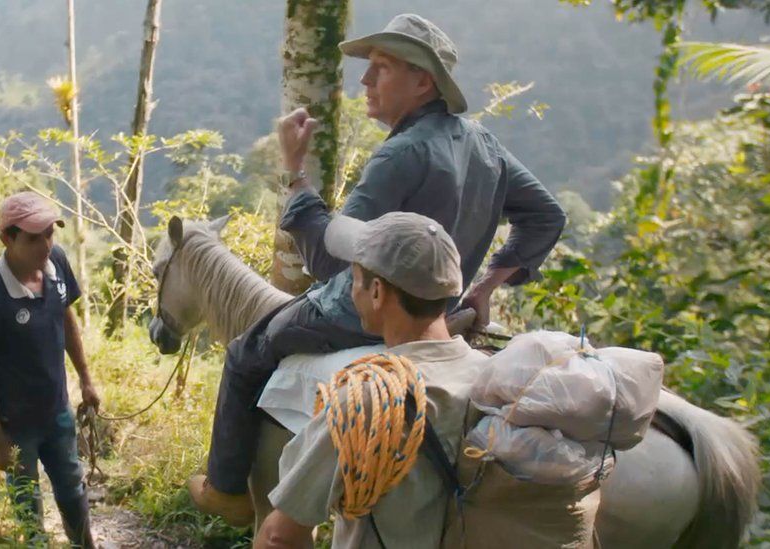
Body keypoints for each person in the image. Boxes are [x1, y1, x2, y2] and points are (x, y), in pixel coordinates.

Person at [189, 13, 566, 523]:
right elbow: (547, 216)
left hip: (354, 309)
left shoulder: (402, 154)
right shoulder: (484, 143)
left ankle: (226, 490)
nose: (364, 80)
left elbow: (328, 263)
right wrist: (485, 288)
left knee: (244, 352)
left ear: (422, 81)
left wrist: (296, 173)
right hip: (440, 309)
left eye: (381, 68)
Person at [254, 211, 488, 548]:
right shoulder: (490, 377)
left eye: (353, 278)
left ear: (376, 291)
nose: (350, 291)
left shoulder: (368, 399)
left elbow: (279, 536)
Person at [0, 191, 99, 548]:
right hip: (16, 424)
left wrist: (86, 379)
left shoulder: (56, 261)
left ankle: (85, 545)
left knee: (72, 489)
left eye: (49, 234)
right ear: (7, 238)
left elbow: (66, 317)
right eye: (33, 237)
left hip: (57, 411)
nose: (45, 245)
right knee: (28, 503)